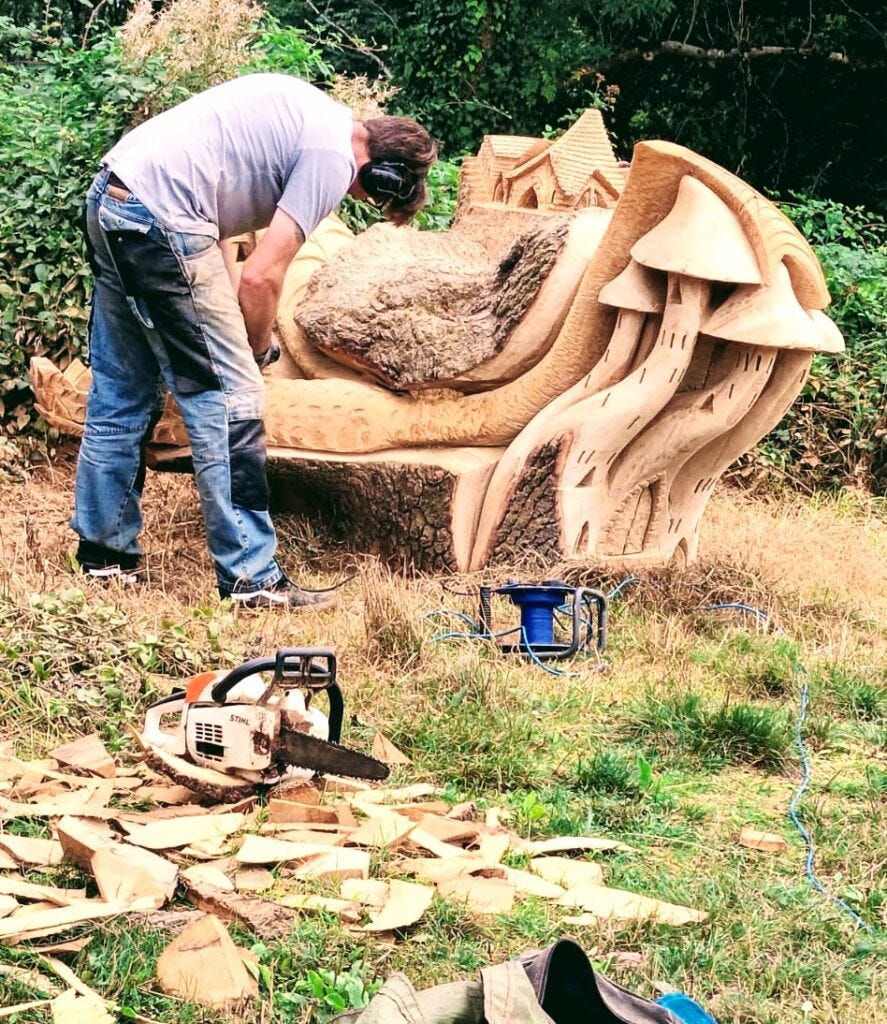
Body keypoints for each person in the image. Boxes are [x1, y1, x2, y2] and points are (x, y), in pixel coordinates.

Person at [72, 73, 437, 609]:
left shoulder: (310, 112)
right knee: (232, 401)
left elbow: (217, 235)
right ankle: (251, 578)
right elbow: (262, 276)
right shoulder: (332, 158)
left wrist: (227, 336)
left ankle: (104, 559)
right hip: (163, 219)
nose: (363, 199)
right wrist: (254, 349)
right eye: (377, 192)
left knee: (122, 390)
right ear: (384, 172)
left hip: (114, 196)